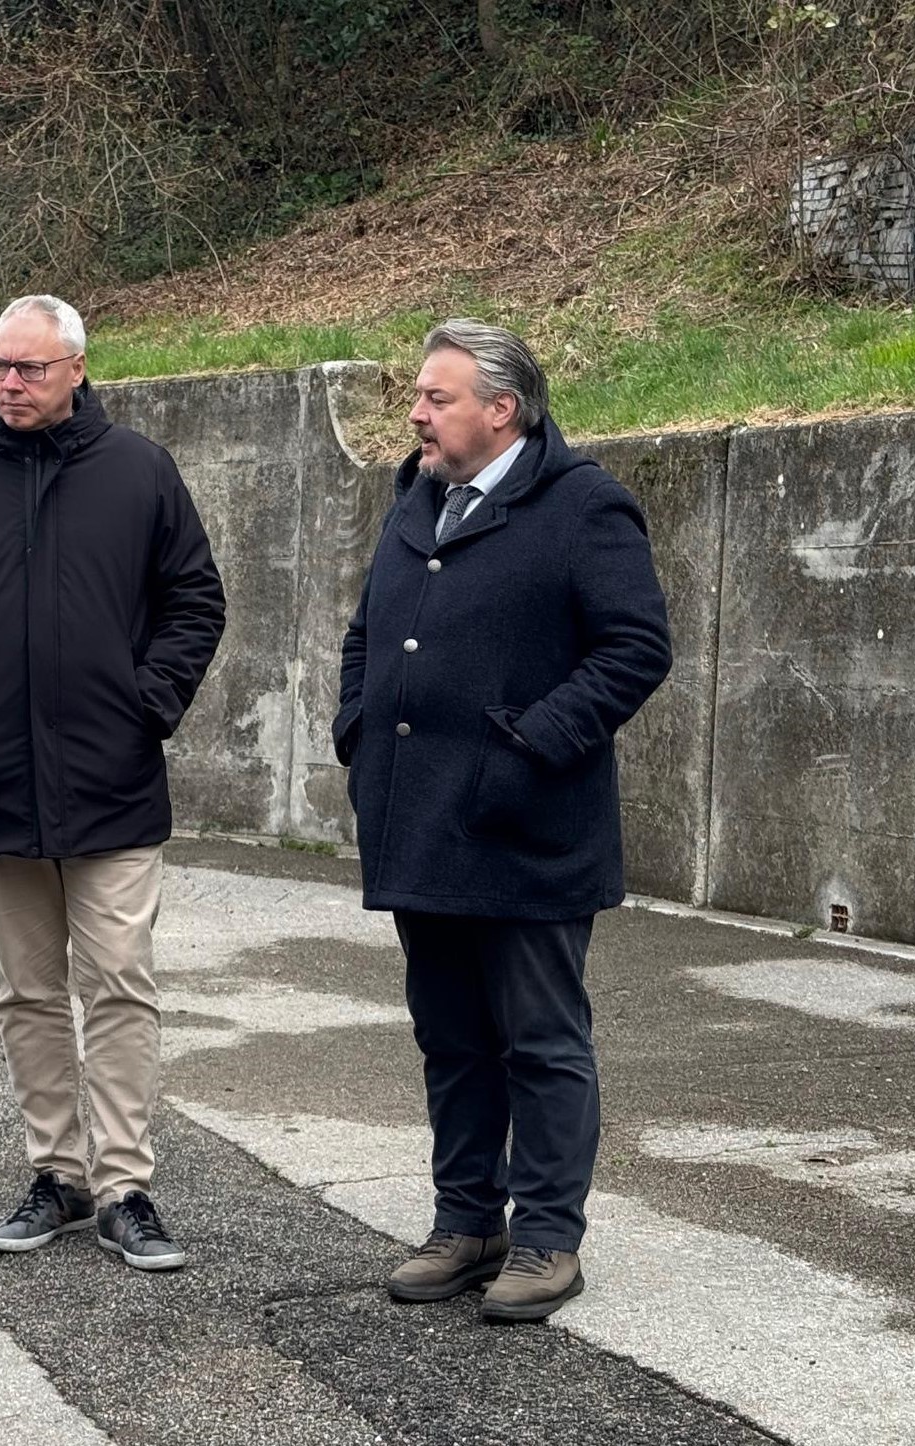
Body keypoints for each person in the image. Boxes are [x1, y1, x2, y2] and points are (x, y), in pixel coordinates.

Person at [0, 295, 225, 1271]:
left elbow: (194, 599)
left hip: (114, 783)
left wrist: (147, 703)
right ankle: (56, 1174)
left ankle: (125, 1188)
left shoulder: (139, 471)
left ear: (76, 368)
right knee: (25, 992)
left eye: (29, 368)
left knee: (118, 987)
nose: (8, 384)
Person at [334, 319, 670, 1322]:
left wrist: (529, 749)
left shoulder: (583, 507)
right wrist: (359, 729)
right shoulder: (419, 497)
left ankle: (547, 1240)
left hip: (526, 829)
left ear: (501, 410)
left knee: (540, 1040)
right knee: (450, 1038)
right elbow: (366, 635)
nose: (415, 413)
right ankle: (466, 1220)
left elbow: (634, 648)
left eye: (435, 398)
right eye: (419, 397)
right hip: (420, 822)